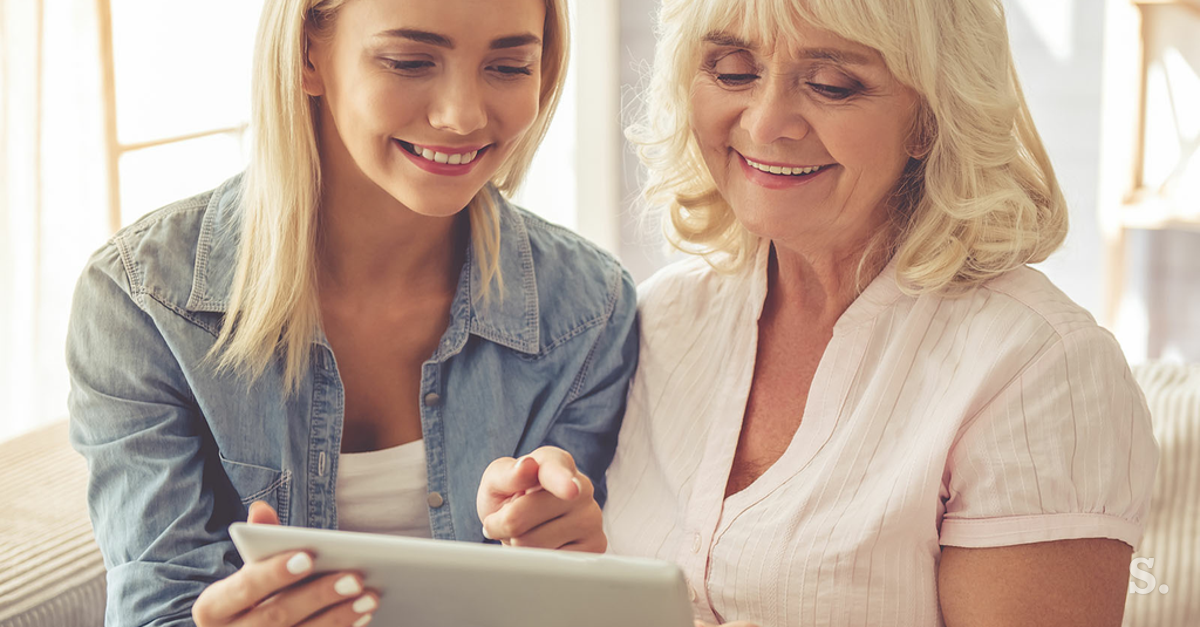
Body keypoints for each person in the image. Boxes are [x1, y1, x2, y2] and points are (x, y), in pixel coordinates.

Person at [479, 0, 1159, 625]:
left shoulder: (1042, 366)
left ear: (929, 118)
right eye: (733, 70)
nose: (766, 121)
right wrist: (560, 546)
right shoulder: (665, 315)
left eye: (832, 84)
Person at [66, 0, 637, 626]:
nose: (462, 115)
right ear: (309, 53)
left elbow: (582, 604)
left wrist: (570, 560)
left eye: (508, 67)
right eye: (410, 61)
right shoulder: (142, 301)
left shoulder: (590, 309)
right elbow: (159, 609)